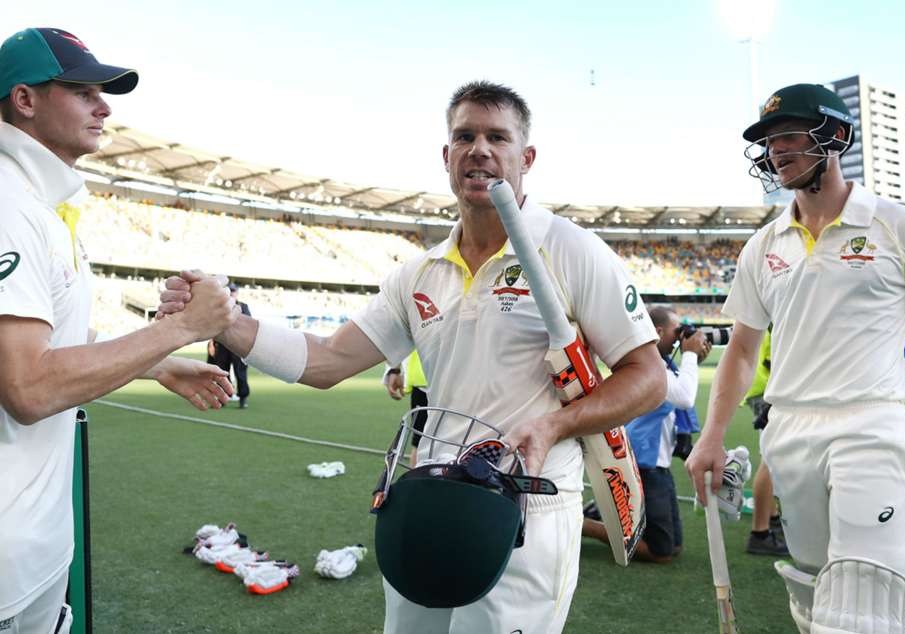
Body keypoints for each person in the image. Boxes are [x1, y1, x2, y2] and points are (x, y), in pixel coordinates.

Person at [159, 80, 667, 634]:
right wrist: (223, 322)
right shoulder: (419, 272)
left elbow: (647, 379)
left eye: (498, 137)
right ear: (446, 156)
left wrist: (555, 424)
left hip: (527, 507)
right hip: (431, 495)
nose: (480, 149)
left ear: (527, 157)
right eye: (465, 136)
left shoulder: (571, 249)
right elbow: (326, 360)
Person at [686, 83, 905, 634]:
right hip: (789, 432)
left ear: (837, 136)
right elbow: (741, 349)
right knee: (814, 589)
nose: (776, 149)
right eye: (769, 140)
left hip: (870, 424)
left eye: (789, 135)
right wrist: (710, 436)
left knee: (862, 598)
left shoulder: (899, 228)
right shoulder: (764, 245)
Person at [0, 27, 238, 634]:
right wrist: (180, 329)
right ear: (24, 99)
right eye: (84, 91)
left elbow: (49, 351)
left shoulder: (38, 201)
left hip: (30, 545)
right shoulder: (8, 202)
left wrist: (155, 362)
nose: (105, 107)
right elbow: (27, 387)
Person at [582, 305, 709, 563]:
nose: (680, 337)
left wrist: (692, 356)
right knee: (660, 552)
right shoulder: (652, 369)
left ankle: (605, 512)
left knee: (674, 547)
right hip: (644, 463)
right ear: (659, 331)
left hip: (656, 463)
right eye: (677, 331)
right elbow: (684, 396)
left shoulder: (663, 364)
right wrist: (690, 356)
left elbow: (682, 384)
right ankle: (583, 523)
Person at [741, 327, 789, 556]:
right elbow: (775, 363)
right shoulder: (780, 317)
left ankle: (771, 517)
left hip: (764, 389)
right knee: (772, 459)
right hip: (770, 392)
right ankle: (760, 534)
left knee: (770, 456)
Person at [383, 349, 429, 466]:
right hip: (423, 382)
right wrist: (394, 368)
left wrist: (394, 369)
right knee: (421, 442)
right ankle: (418, 483)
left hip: (464, 381)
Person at [210, 282, 252, 408]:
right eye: (230, 291)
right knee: (222, 372)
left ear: (237, 293)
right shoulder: (219, 306)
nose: (232, 293)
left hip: (238, 345)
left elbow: (249, 326)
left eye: (234, 291)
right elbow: (213, 326)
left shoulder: (243, 307)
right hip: (222, 344)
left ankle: (243, 398)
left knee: (240, 372)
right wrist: (212, 343)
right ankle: (223, 398)